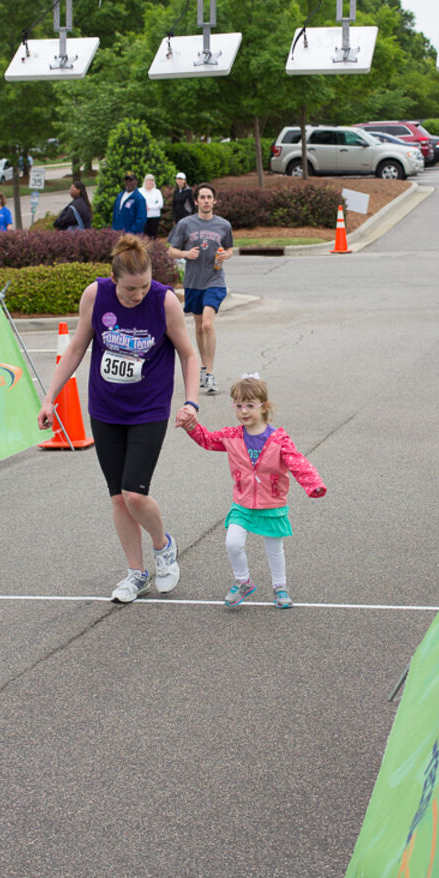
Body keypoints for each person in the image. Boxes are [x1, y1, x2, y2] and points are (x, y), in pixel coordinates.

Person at [37, 234, 200, 604]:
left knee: (135, 495)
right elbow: (76, 348)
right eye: (129, 289)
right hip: (105, 409)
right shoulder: (95, 296)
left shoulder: (164, 301)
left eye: (144, 286)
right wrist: (50, 398)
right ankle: (136, 573)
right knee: (118, 499)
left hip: (149, 410)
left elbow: (189, 354)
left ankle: (163, 546)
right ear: (114, 280)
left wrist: (191, 402)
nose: (138, 295)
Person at [178, 374, 326, 609]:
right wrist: (190, 425)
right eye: (238, 406)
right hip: (243, 503)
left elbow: (298, 462)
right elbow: (207, 440)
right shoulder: (231, 436)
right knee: (232, 543)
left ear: (264, 407)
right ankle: (243, 581)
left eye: (249, 405)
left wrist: (313, 484)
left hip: (272, 503)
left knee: (274, 548)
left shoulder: (279, 439)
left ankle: (280, 587)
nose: (244, 411)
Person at [167, 183, 234, 395]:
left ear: (215, 201)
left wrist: (226, 255)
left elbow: (230, 248)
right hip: (193, 282)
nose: (206, 201)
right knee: (198, 326)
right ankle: (204, 368)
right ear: (196, 201)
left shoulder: (224, 225)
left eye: (209, 197)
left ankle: (210, 373)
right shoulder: (185, 224)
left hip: (215, 280)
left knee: (207, 324)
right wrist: (186, 254)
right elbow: (171, 250)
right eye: (202, 197)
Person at [141, 173, 164, 239]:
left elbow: (160, 204)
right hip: (143, 216)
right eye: (148, 180)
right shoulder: (140, 191)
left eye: (152, 180)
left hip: (154, 217)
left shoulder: (157, 192)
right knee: (144, 237)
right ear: (145, 181)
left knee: (153, 236)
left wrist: (149, 207)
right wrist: (144, 207)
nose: (150, 182)